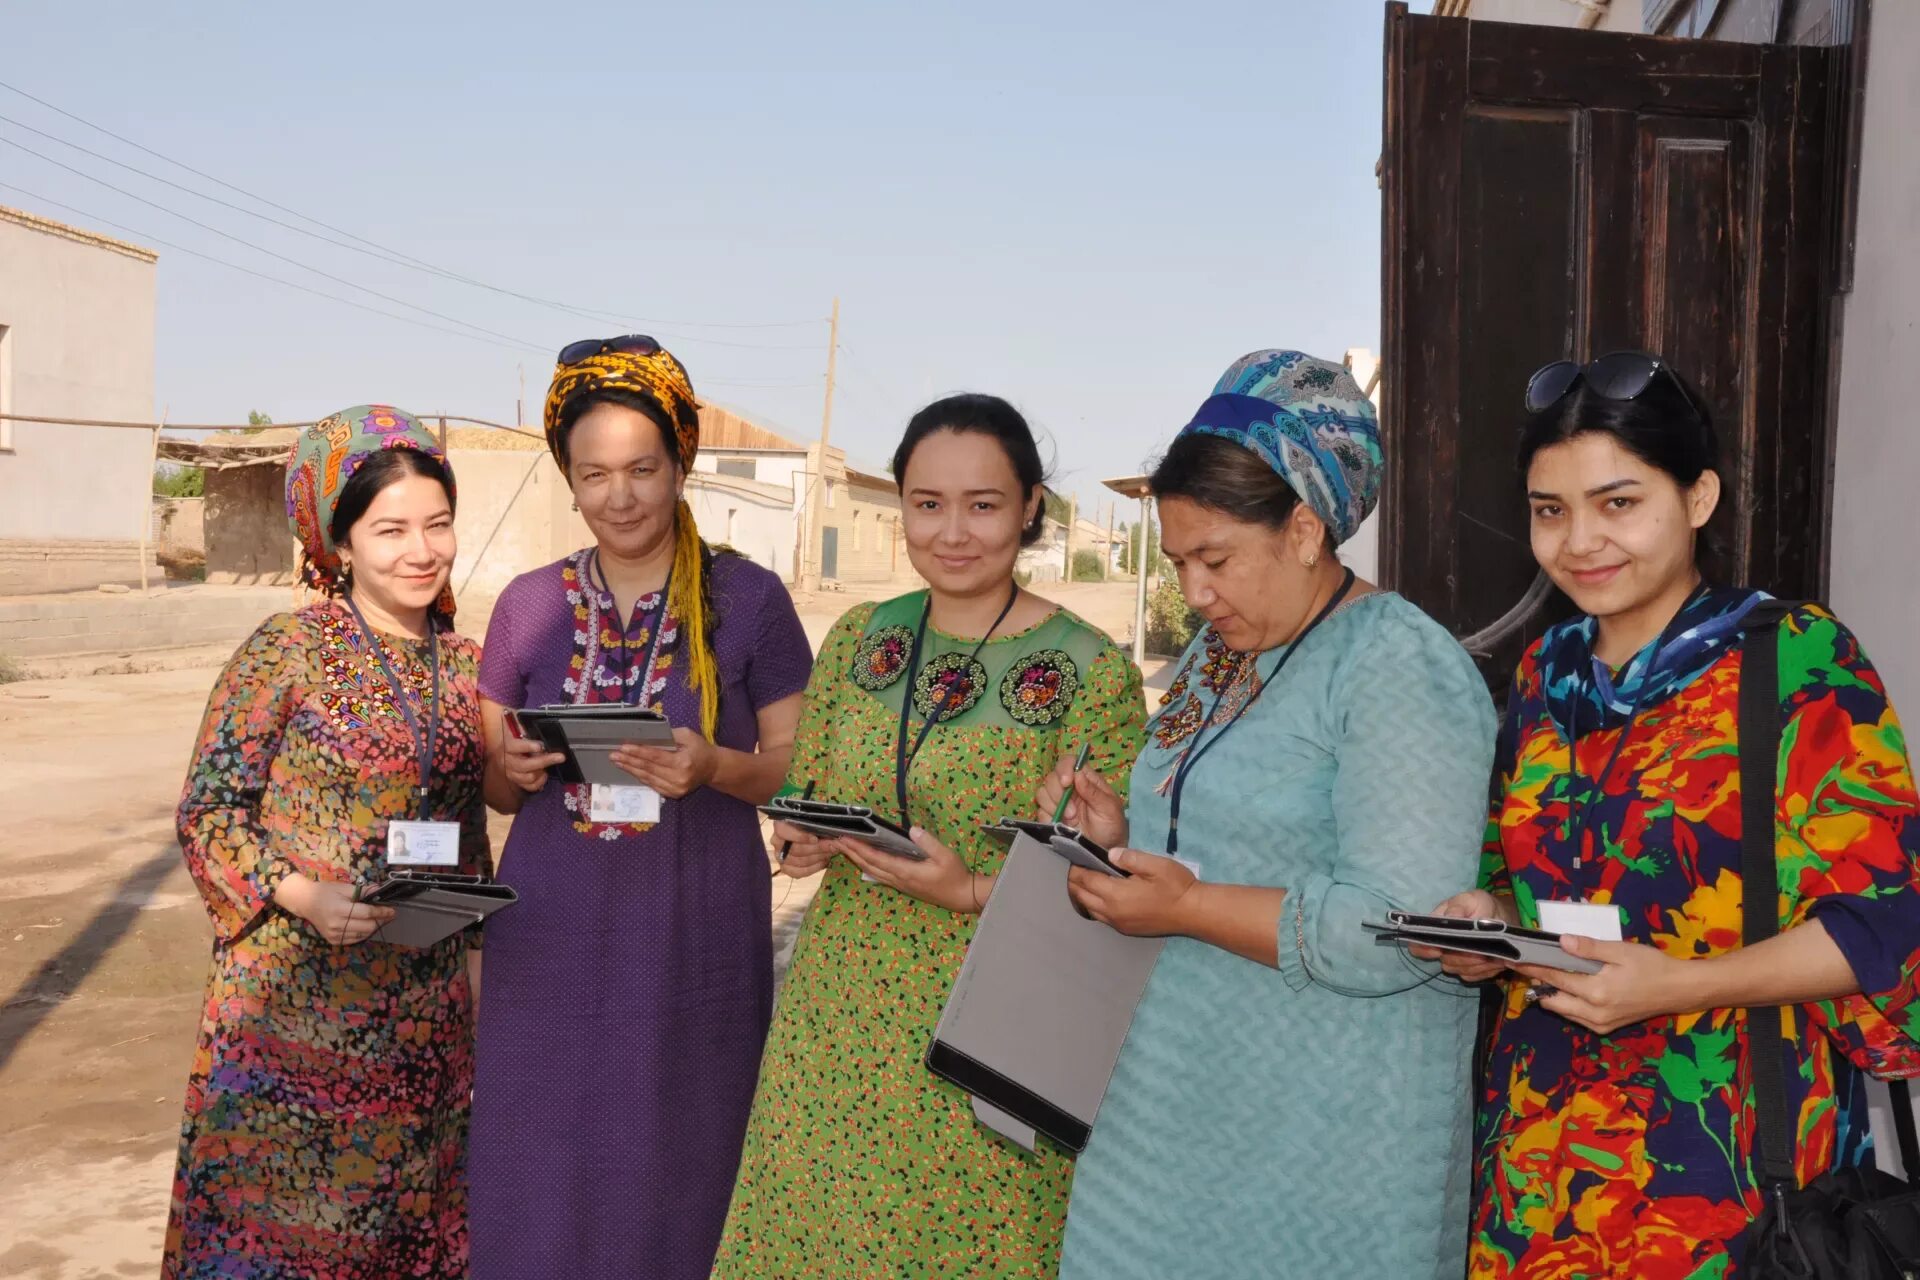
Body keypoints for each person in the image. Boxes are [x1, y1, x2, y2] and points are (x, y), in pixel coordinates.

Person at [1424, 352, 1920, 1277]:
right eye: (1550, 510)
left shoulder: (1795, 656)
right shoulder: (1547, 674)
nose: (1580, 541)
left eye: (1619, 503)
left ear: (1698, 499)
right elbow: (1520, 872)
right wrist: (1489, 925)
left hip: (1724, 1172)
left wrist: (1678, 984)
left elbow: (1883, 926)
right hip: (1540, 1163)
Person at [1036, 351, 1496, 1279]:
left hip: (1319, 1148)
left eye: (1216, 560)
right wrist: (1117, 837)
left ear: (1304, 529)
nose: (1196, 595)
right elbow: (1215, 835)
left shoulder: (1396, 665)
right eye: (1179, 563)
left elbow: (1395, 929)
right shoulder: (1217, 654)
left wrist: (1185, 910)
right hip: (1162, 1114)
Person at [712, 393, 1148, 1277]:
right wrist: (799, 839)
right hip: (837, 1012)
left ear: (1031, 508)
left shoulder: (1092, 672)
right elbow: (806, 794)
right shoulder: (858, 639)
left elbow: (1113, 882)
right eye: (927, 504)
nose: (953, 532)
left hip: (994, 1019)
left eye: (983, 505)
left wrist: (973, 891)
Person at [467, 336, 812, 1280]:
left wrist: (716, 768)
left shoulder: (749, 601)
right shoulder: (529, 608)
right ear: (569, 480)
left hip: (690, 939)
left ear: (681, 461)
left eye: (642, 469)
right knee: (538, 1158)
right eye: (594, 474)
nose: (620, 496)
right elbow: (498, 790)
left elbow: (796, 771)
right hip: (547, 937)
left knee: (684, 1155)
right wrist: (515, 765)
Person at [166, 406, 487, 1278]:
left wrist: (477, 969)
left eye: (438, 523)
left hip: (419, 1020)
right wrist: (302, 892)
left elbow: (464, 830)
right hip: (292, 1012)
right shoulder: (286, 652)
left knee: (405, 1233)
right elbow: (209, 813)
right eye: (390, 530)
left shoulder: (467, 667)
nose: (422, 550)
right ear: (339, 542)